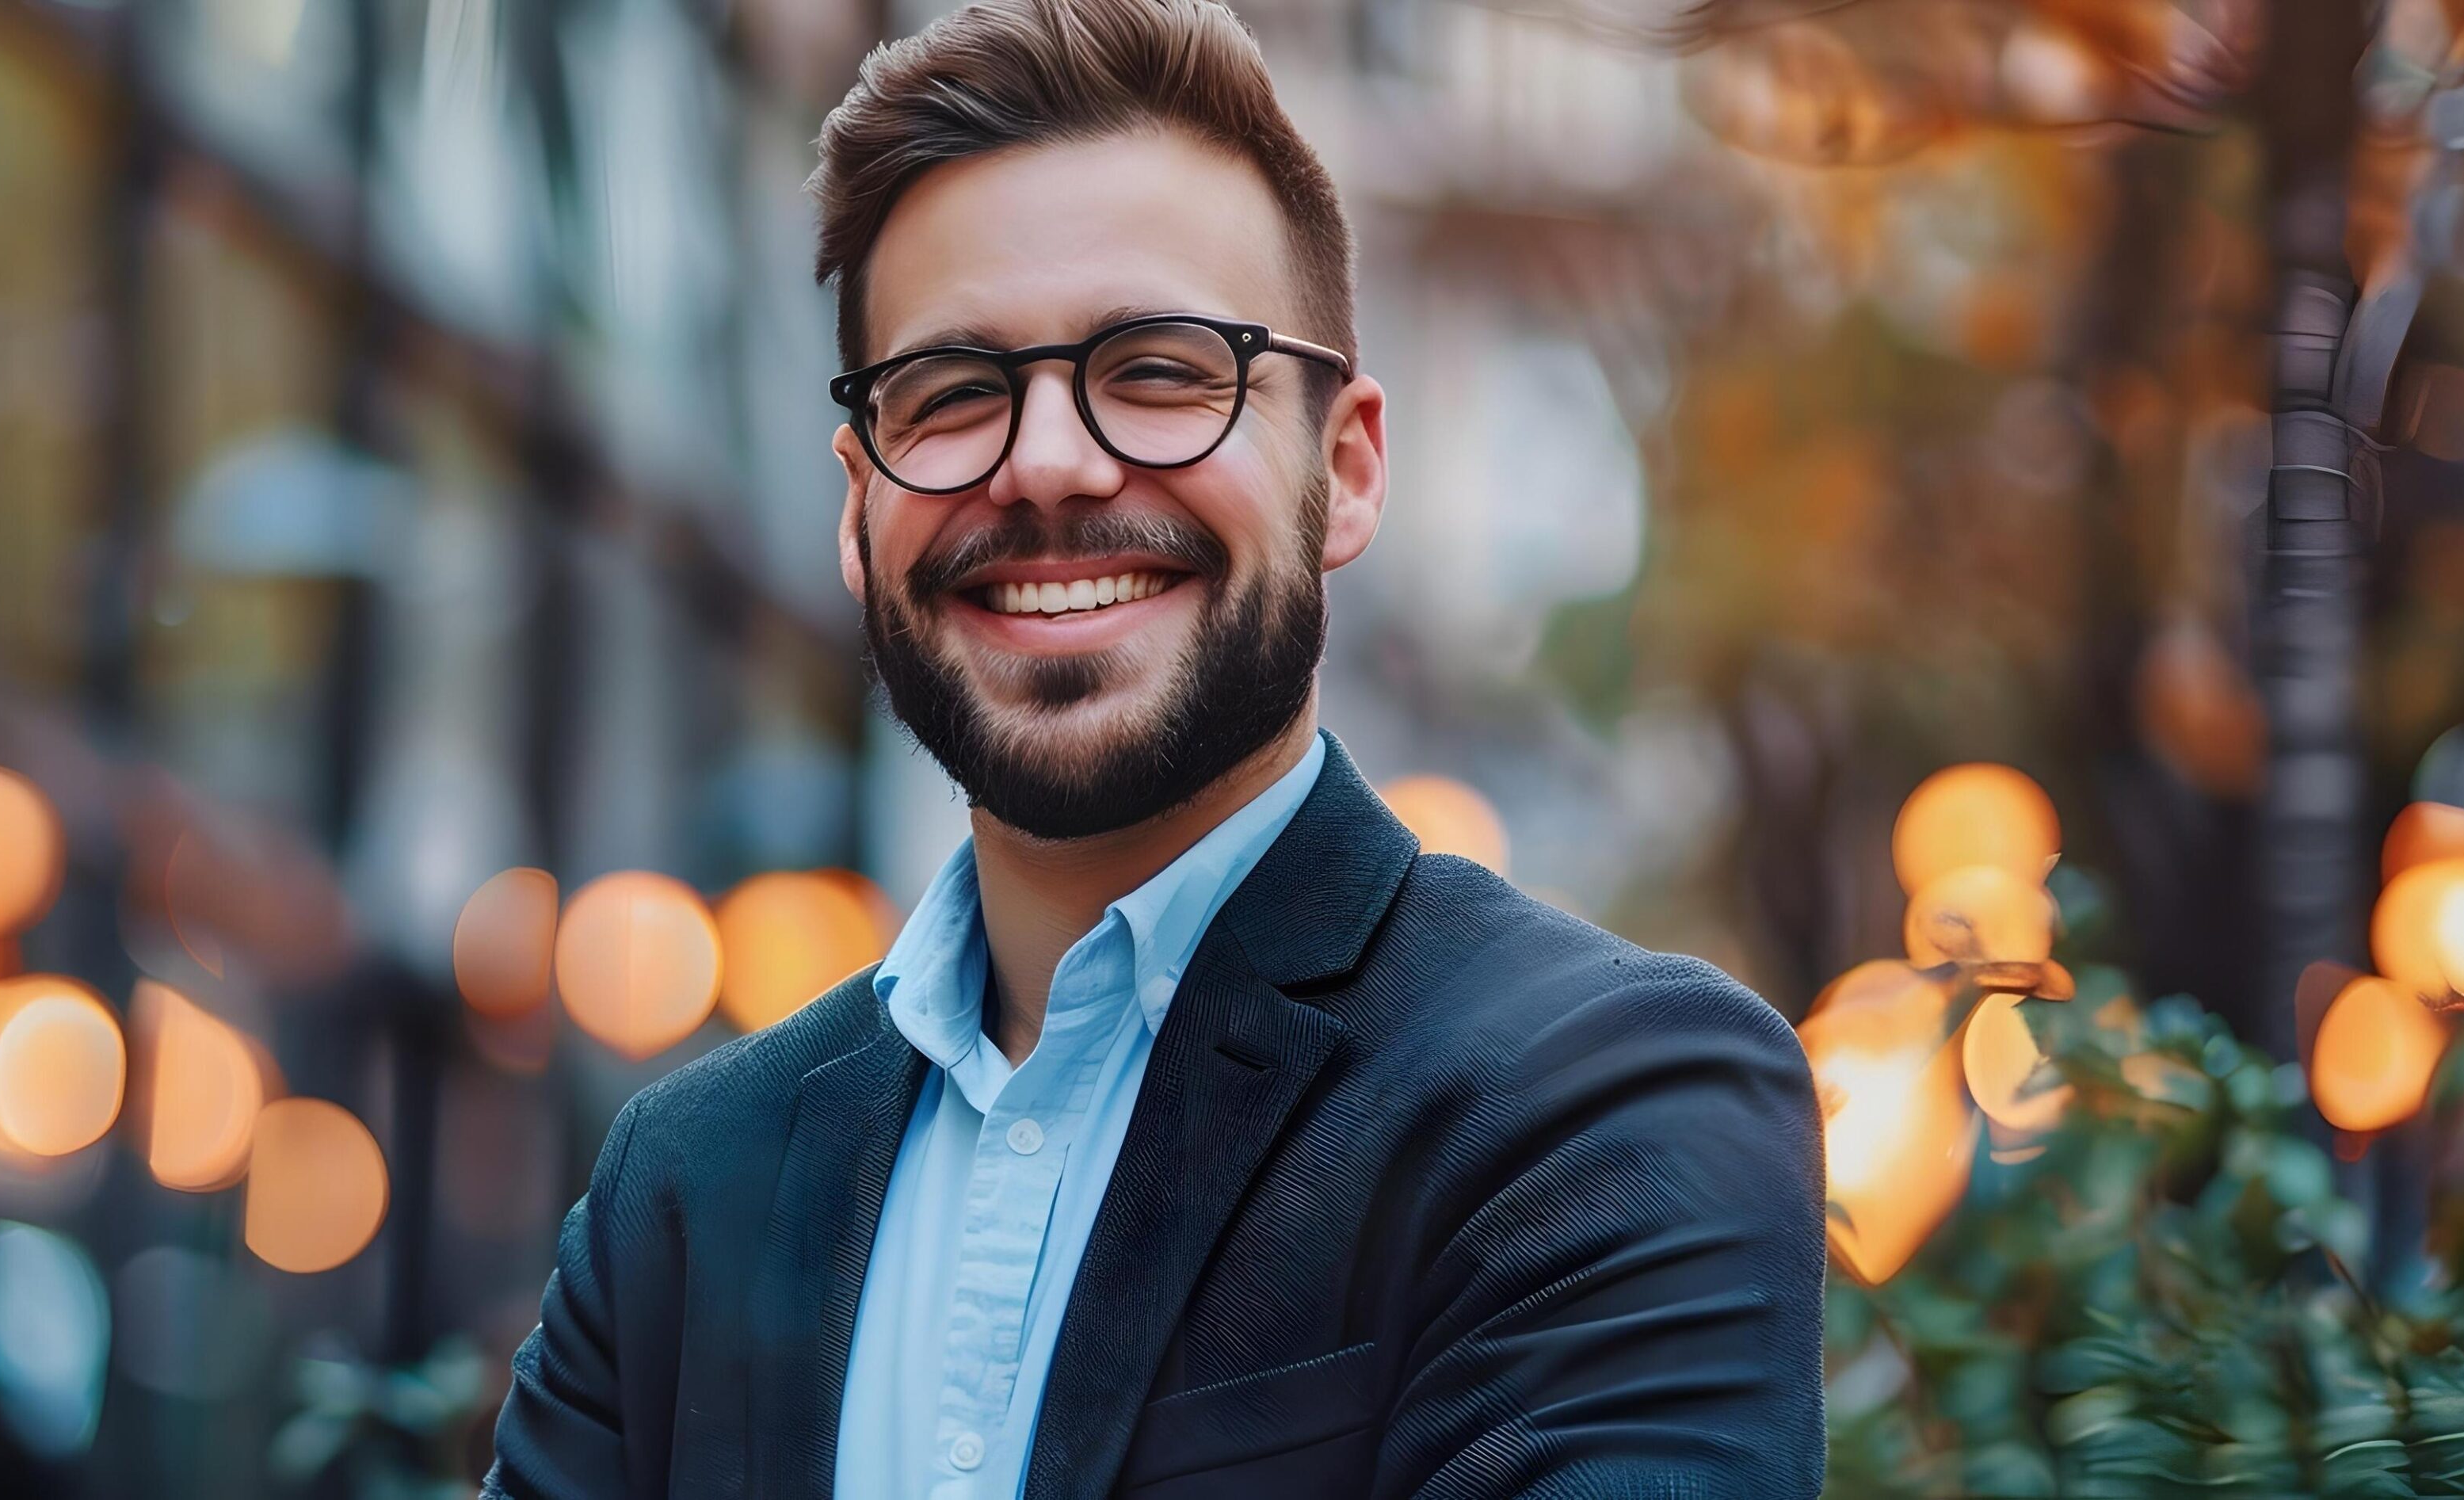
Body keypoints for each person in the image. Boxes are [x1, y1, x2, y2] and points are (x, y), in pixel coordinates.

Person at [483, 0, 1826, 1495]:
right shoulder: (680, 1188)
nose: (1048, 459)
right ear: (857, 514)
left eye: (1163, 371)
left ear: (1349, 467)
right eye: (950, 395)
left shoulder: (1601, 1104)